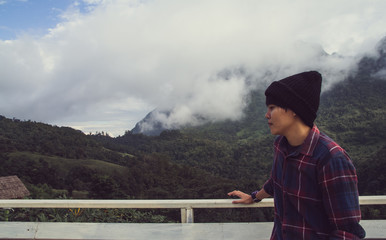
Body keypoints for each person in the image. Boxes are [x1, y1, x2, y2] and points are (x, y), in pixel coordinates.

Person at [228, 71, 366, 239]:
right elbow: (276, 181)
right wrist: (254, 197)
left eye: (272, 108)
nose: (266, 115)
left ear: (293, 110)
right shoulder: (281, 144)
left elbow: (348, 233)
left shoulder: (331, 159)